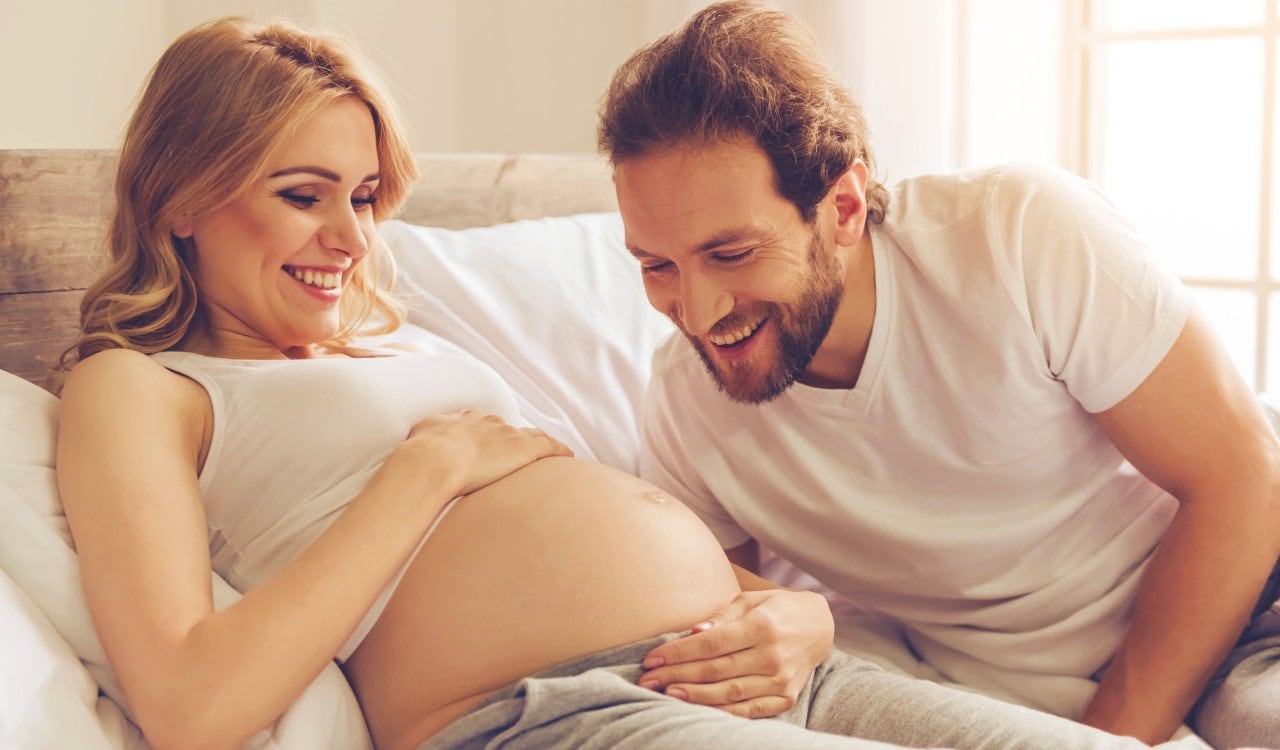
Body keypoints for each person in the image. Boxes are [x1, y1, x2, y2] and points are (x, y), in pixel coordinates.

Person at [52, 15, 1220, 750]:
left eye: (365, 197)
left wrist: (796, 618)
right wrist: (427, 473)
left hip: (761, 674)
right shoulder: (140, 386)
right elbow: (193, 709)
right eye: (305, 193)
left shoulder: (391, 337)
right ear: (183, 196)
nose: (352, 238)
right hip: (558, 712)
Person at [597, 2, 1280, 748]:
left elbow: (1244, 479)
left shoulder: (1019, 236)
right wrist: (797, 616)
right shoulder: (687, 406)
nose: (696, 312)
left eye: (731, 255)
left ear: (844, 208)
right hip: (990, 679)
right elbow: (712, 614)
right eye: (657, 266)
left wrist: (1112, 738)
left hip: (1247, 604)